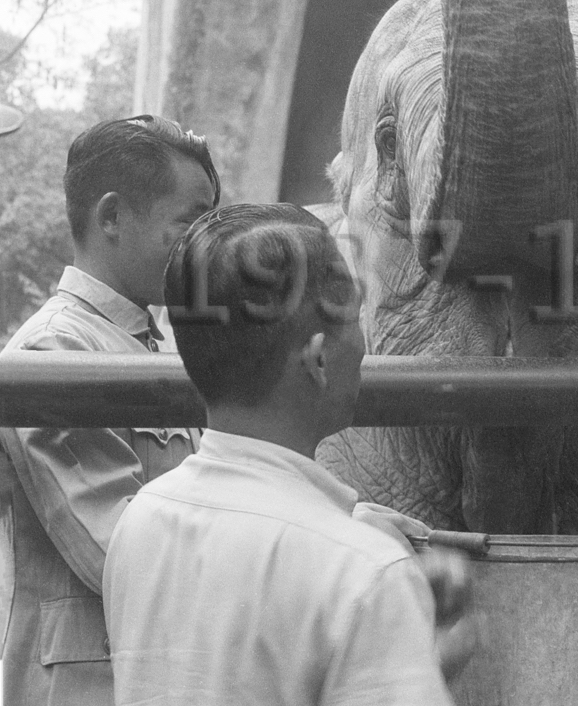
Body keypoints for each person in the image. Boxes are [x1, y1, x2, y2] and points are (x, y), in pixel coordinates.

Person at [102, 203, 476, 704]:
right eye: (356, 319)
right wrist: (417, 660)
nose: (365, 348)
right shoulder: (367, 573)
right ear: (319, 358)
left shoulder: (143, 517)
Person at [0, 114, 219, 705]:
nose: (207, 244)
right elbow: (118, 551)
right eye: (191, 221)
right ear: (113, 217)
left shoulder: (154, 346)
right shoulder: (55, 351)